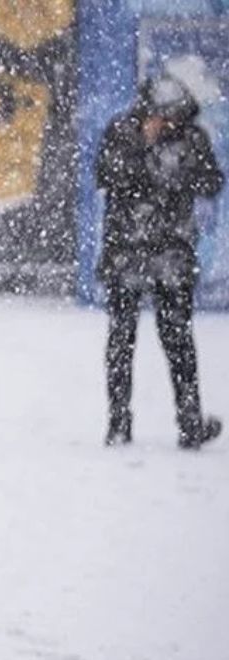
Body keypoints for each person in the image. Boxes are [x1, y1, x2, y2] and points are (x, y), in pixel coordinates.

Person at [96, 74, 224, 449]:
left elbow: (212, 182)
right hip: (127, 252)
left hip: (172, 253)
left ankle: (189, 423)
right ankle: (118, 422)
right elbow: (107, 176)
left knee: (179, 340)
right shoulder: (122, 132)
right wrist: (145, 148)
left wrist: (176, 168)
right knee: (122, 339)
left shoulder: (191, 137)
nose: (169, 124)